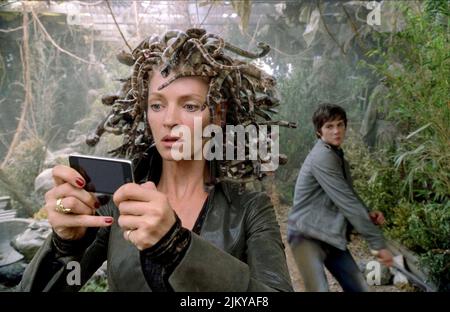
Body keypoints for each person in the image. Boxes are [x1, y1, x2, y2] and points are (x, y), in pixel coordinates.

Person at [19, 28, 294, 292]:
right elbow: (65, 280)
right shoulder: (113, 203)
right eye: (157, 105)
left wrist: (177, 248)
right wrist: (65, 247)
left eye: (189, 106)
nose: (169, 120)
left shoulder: (250, 210)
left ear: (218, 115)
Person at [287, 103, 393, 292]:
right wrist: (378, 244)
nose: (336, 131)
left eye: (340, 125)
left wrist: (368, 213)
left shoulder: (337, 157)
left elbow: (348, 194)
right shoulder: (322, 157)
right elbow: (348, 203)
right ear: (319, 131)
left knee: (360, 289)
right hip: (305, 236)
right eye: (329, 126)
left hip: (330, 236)